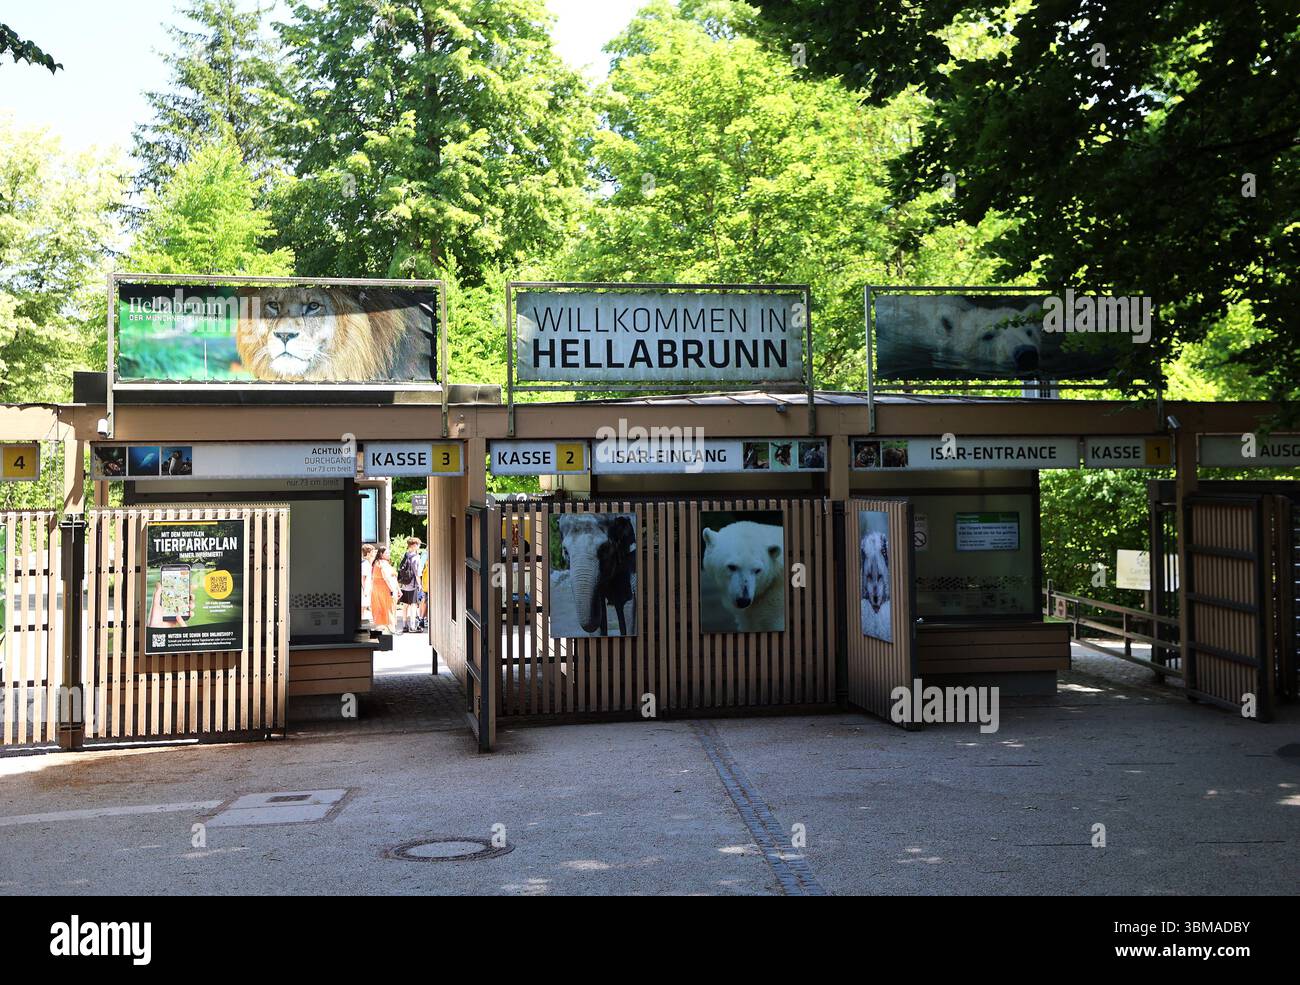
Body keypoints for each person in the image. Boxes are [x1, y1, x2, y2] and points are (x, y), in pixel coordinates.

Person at [397, 537, 425, 634]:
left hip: (404, 585)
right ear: (414, 546)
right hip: (413, 585)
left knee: (405, 605)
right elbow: (417, 573)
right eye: (418, 545)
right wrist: (420, 585)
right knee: (413, 606)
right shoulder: (416, 557)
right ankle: (412, 627)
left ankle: (405, 625)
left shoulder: (405, 555)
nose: (419, 547)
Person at [370, 546, 399, 633]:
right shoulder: (382, 563)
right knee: (388, 607)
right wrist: (393, 590)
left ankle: (383, 627)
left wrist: (398, 589)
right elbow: (387, 577)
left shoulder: (377, 563)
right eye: (386, 553)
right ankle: (391, 628)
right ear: (381, 554)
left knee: (380, 607)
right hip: (385, 589)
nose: (389, 554)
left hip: (378, 589)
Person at [360, 544, 376, 625]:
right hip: (364, 590)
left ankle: (361, 621)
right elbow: (363, 578)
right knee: (362, 607)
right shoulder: (365, 564)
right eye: (373, 552)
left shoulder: (366, 563)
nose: (374, 553)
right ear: (368, 553)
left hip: (366, 589)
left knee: (363, 607)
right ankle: (360, 622)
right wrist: (365, 590)